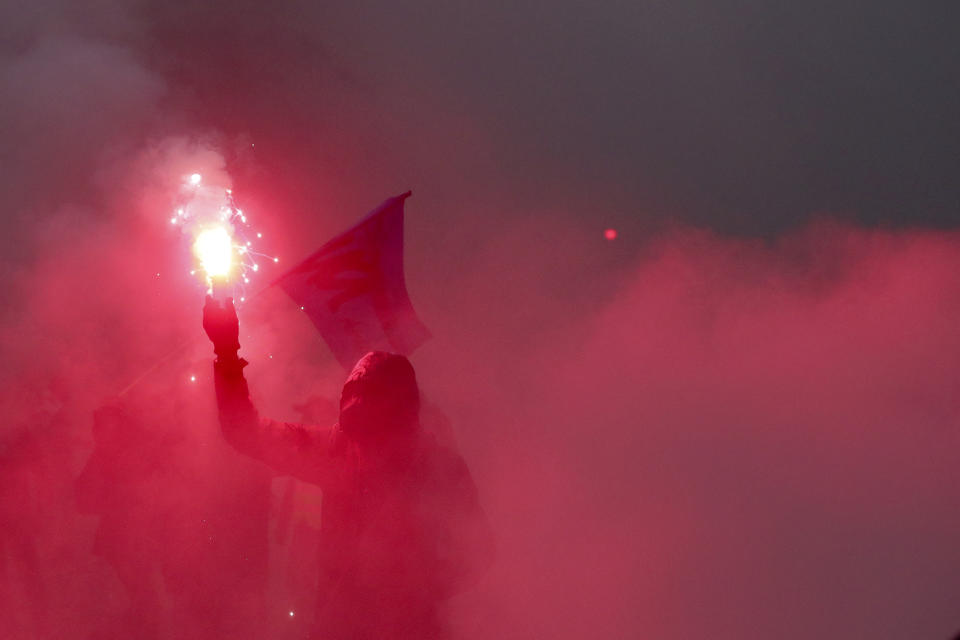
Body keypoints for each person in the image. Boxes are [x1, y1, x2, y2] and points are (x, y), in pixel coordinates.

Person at [203, 296, 494, 639]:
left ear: (402, 415)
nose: (370, 442)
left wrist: (414, 590)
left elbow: (477, 553)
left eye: (378, 423)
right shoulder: (339, 449)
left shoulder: (438, 467)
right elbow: (245, 433)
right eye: (360, 423)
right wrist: (225, 350)